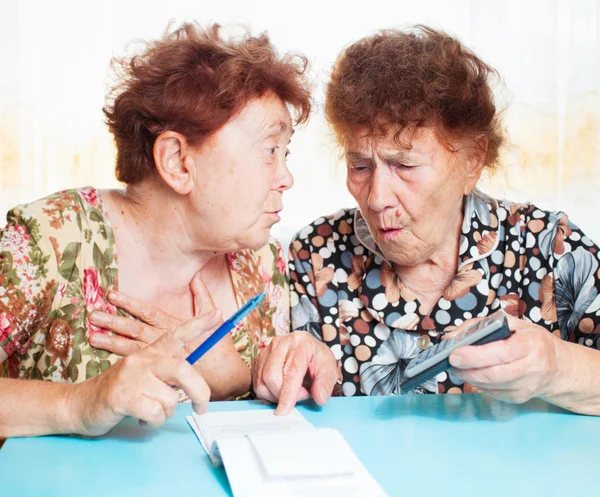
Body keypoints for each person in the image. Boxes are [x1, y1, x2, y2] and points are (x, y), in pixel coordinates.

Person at [256, 26, 600, 415]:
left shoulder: (551, 246)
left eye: (404, 165)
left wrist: (557, 366)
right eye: (360, 165)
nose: (377, 197)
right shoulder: (317, 253)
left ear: (472, 160)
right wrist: (284, 364)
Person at [0, 21, 312, 437]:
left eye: (285, 153)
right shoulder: (51, 239)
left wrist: (239, 380)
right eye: (270, 151)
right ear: (178, 162)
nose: (286, 177)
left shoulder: (263, 261)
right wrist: (78, 403)